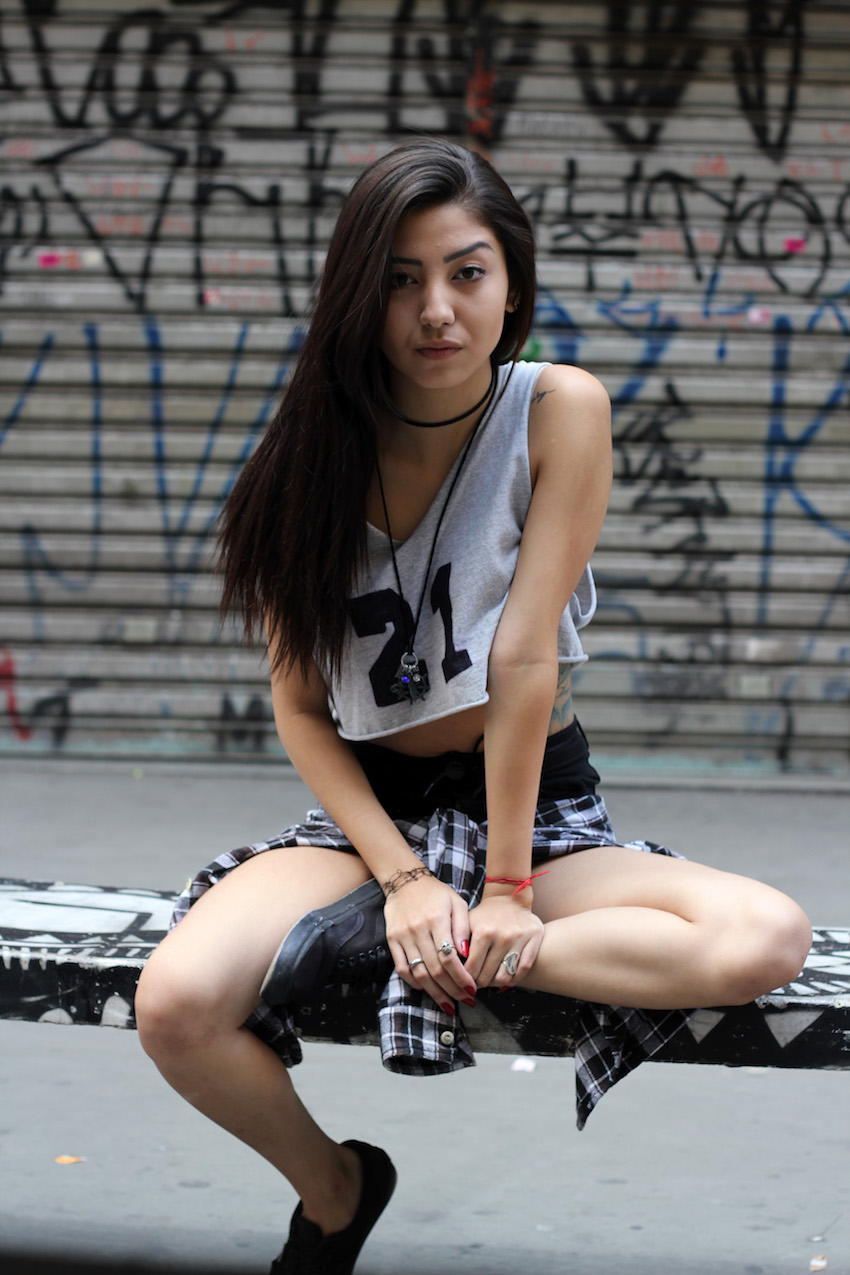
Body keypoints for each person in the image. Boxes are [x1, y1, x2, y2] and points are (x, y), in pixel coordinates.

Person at [135, 137, 812, 1275]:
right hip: (372, 824)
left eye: (466, 272)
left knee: (765, 937)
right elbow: (302, 707)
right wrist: (401, 878)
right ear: (359, 293)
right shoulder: (307, 455)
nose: (436, 310)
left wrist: (501, 895)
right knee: (176, 1006)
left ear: (512, 282)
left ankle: (449, 951)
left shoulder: (556, 410)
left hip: (531, 808)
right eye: (401, 279)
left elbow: (523, 659)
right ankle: (337, 1188)